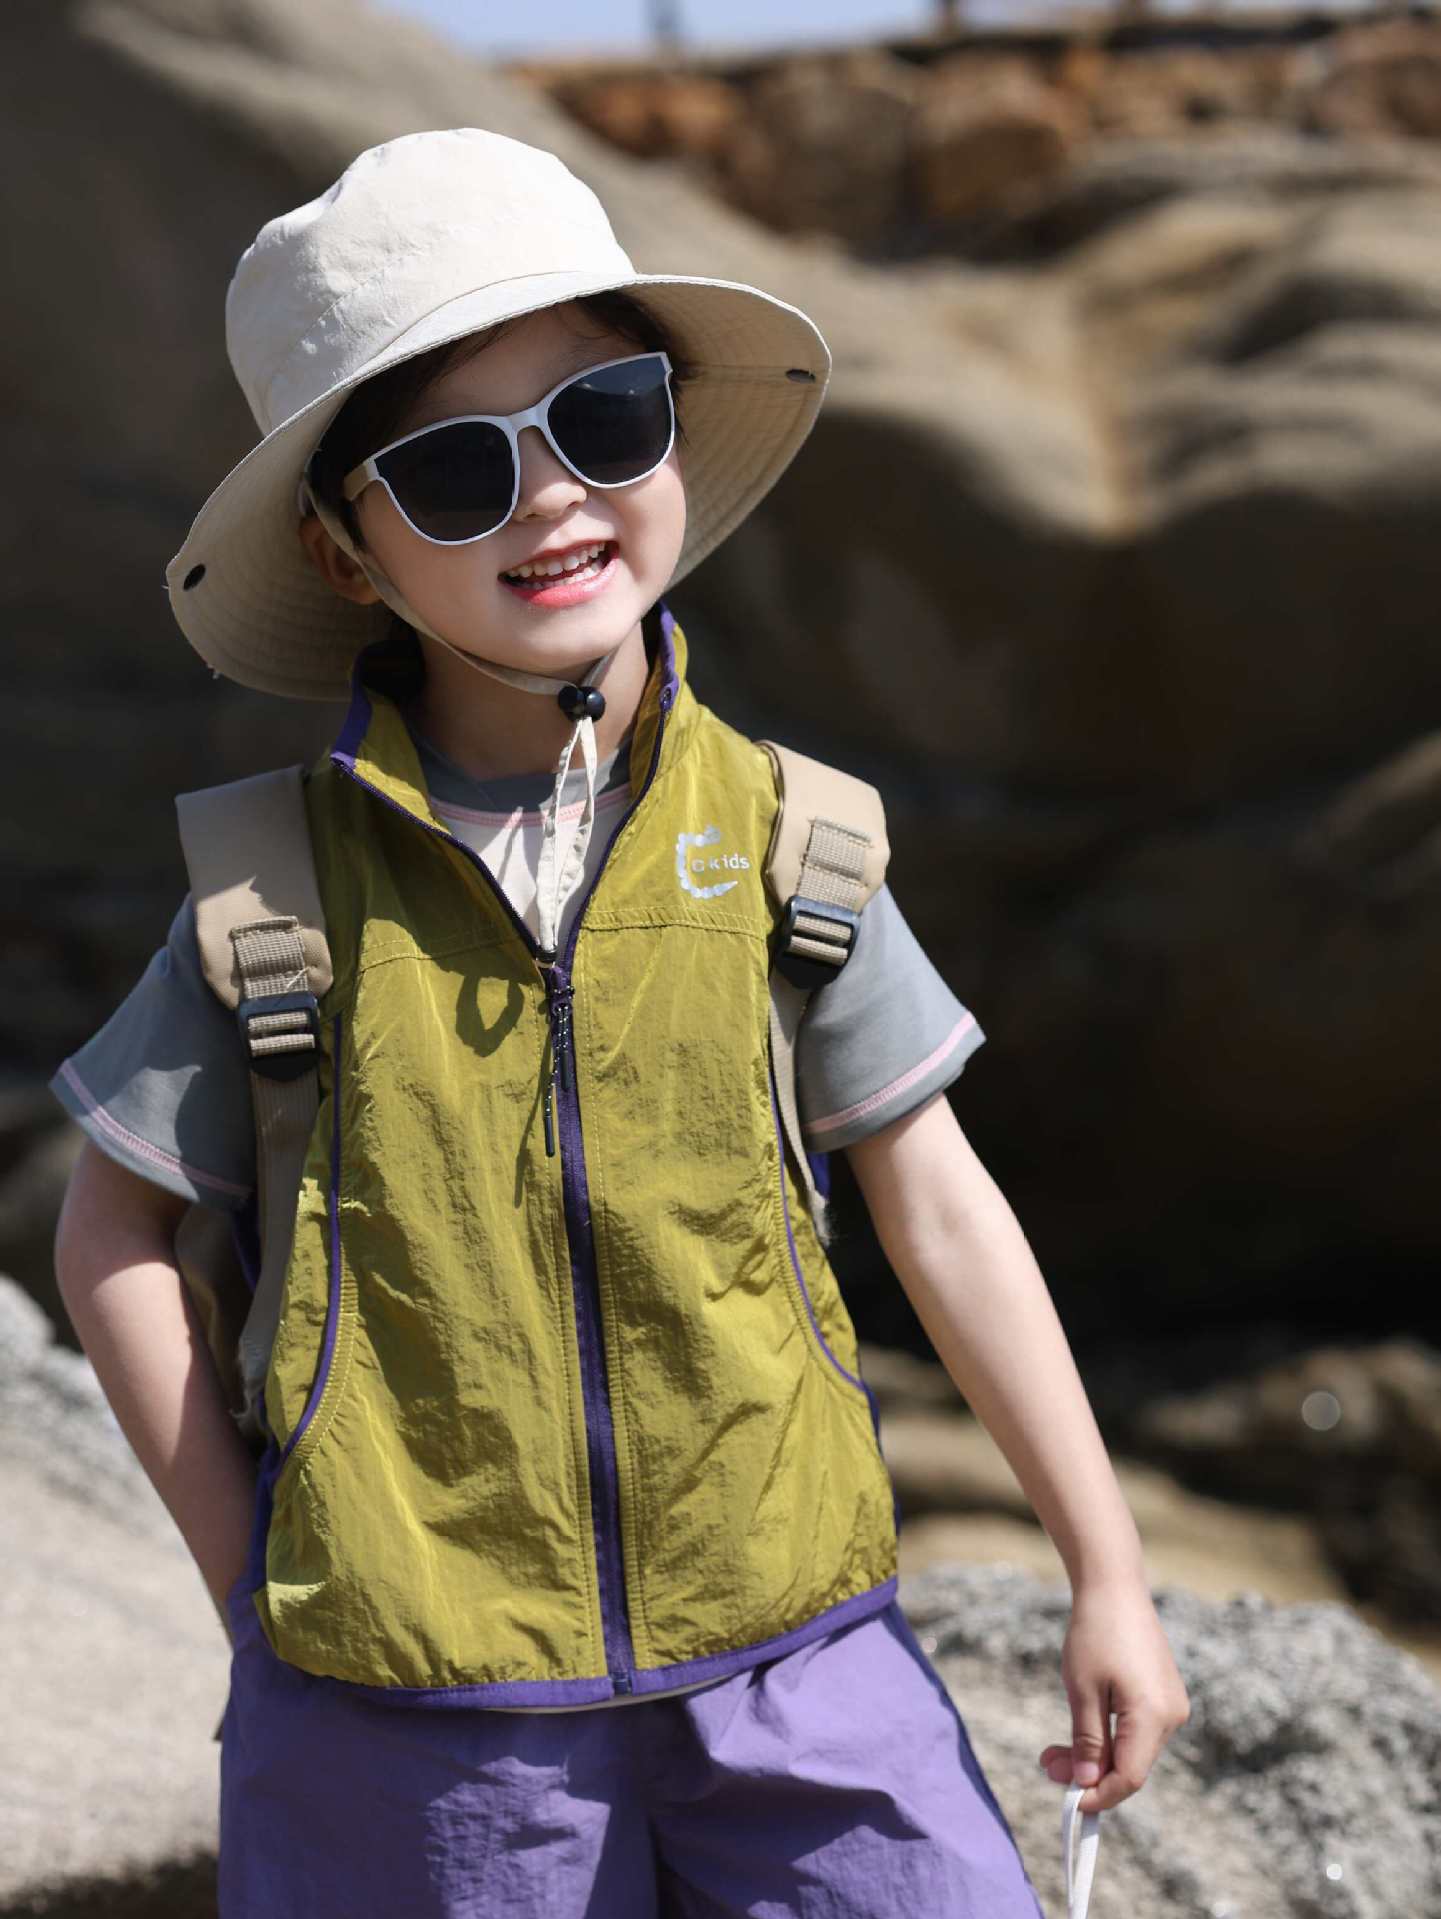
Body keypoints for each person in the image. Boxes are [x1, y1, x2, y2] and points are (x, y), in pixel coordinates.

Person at [49, 128, 1189, 1917]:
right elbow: (112, 1232)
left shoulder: (797, 842)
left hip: (797, 1666)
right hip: (413, 1732)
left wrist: (1104, 1570)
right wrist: (256, 1590)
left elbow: (945, 1210)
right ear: (344, 554)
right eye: (450, 470)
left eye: (601, 418)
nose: (549, 498)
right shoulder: (274, 891)